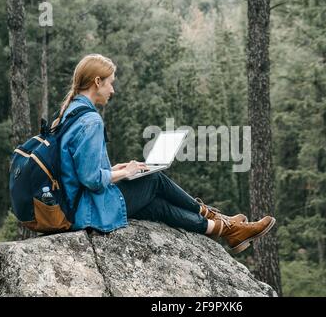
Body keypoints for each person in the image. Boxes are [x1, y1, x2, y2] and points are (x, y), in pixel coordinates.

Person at [52, 54, 276, 254]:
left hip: (78, 207)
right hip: (88, 209)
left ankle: (223, 228)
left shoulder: (70, 112)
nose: (113, 90)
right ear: (97, 82)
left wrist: (114, 169)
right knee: (154, 179)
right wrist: (125, 173)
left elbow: (79, 170)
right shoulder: (90, 120)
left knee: (156, 206)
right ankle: (217, 218)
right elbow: (90, 179)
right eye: (110, 83)